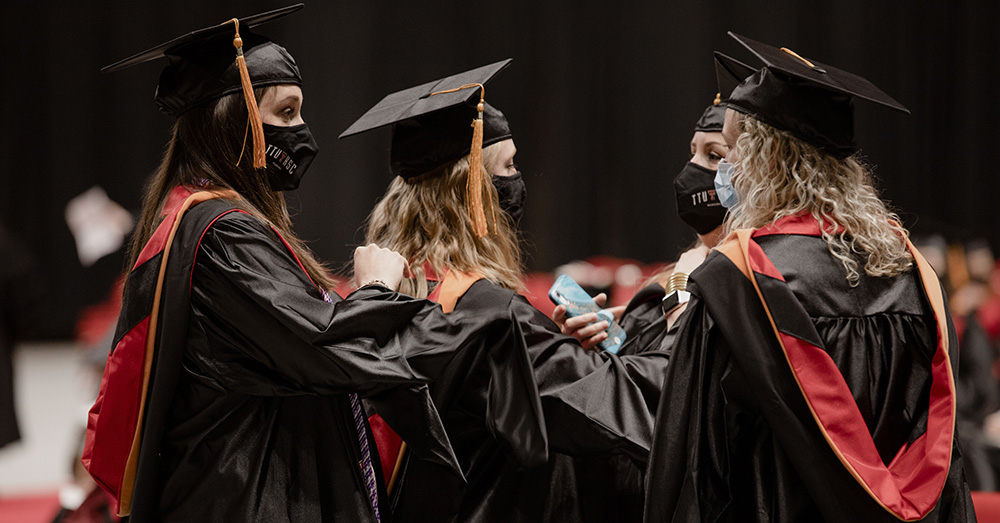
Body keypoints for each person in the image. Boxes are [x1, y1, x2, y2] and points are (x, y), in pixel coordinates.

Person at [82, 6, 479, 522]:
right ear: (234, 119)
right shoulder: (222, 234)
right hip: (244, 491)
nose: (303, 133)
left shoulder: (201, 219)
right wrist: (377, 290)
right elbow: (318, 346)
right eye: (286, 113)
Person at [643, 33, 976, 522]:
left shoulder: (738, 280)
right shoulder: (912, 273)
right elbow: (944, 458)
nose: (724, 172)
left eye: (731, 151)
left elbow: (695, 462)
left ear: (766, 161)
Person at [341, 60, 668, 522]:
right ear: (470, 190)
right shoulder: (489, 313)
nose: (517, 182)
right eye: (508, 166)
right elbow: (618, 410)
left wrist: (556, 347)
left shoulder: (398, 291)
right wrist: (675, 310)